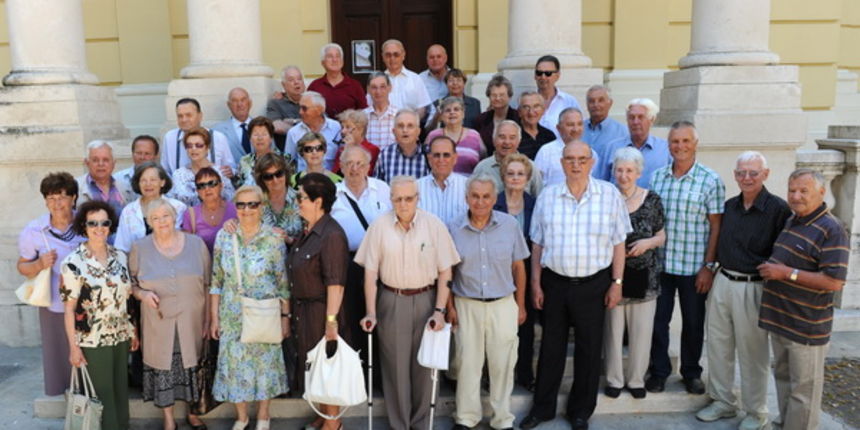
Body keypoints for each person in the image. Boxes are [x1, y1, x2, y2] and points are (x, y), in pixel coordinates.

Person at [519, 140, 629, 430]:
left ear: (591, 162)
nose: (576, 164)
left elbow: (619, 243)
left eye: (582, 159)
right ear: (562, 162)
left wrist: (616, 282)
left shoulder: (609, 195)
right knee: (551, 350)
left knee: (589, 350)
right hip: (554, 283)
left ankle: (580, 412)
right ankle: (542, 409)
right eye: (570, 159)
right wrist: (535, 284)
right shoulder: (548, 196)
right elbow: (538, 243)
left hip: (594, 285)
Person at [356, 175, 460, 430]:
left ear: (418, 198)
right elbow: (370, 274)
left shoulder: (434, 225)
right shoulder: (379, 227)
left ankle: (421, 423)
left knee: (425, 367)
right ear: (390, 199)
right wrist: (371, 311)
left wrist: (439, 310)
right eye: (398, 199)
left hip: (426, 300)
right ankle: (400, 424)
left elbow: (446, 271)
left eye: (409, 198)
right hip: (391, 300)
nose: (403, 204)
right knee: (395, 368)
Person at [696, 152, 790, 430]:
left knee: (753, 352)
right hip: (723, 281)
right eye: (741, 173)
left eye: (753, 172)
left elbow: (782, 252)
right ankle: (723, 402)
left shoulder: (778, 210)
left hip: (754, 287)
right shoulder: (730, 206)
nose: (746, 178)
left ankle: (756, 411)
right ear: (735, 175)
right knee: (718, 345)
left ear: (766, 174)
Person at [756, 168, 848, 430]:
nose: (796, 196)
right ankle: (786, 424)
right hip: (782, 319)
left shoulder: (832, 229)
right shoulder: (794, 219)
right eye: (792, 190)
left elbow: (834, 281)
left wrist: (786, 273)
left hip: (806, 326)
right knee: (784, 379)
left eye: (803, 191)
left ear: (821, 192)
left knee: (804, 392)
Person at [647, 121, 725, 395]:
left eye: (685, 141)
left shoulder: (710, 180)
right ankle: (658, 371)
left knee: (693, 322)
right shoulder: (657, 178)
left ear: (695, 144)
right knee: (658, 322)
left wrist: (709, 266)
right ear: (668, 145)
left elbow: (716, 225)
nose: (679, 147)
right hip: (663, 265)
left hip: (694, 267)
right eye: (674, 142)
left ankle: (691, 372)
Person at [447, 175, 529, 430]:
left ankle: (502, 419)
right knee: (467, 363)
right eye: (475, 196)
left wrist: (521, 305)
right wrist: (449, 307)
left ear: (494, 199)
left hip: (503, 303)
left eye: (486, 197)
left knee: (503, 363)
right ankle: (466, 417)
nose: (480, 202)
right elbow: (447, 272)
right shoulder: (454, 227)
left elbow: (519, 267)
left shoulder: (509, 225)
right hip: (466, 304)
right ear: (466, 198)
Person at [209, 185, 290, 430]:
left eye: (252, 204)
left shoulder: (274, 239)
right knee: (235, 366)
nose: (247, 210)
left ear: (262, 207)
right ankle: (241, 416)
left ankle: (263, 415)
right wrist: (214, 318)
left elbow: (282, 282)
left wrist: (286, 317)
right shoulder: (225, 236)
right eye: (241, 205)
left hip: (264, 311)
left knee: (265, 364)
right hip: (232, 313)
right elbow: (216, 281)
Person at [129, 198, 211, 430]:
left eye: (166, 216)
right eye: (155, 218)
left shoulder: (196, 244)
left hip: (193, 320)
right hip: (158, 321)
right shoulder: (140, 248)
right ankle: (168, 419)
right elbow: (132, 285)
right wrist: (142, 295)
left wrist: (208, 319)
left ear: (175, 217)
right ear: (149, 222)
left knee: (192, 366)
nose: (162, 221)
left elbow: (208, 284)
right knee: (164, 368)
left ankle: (194, 413)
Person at [61, 201, 138, 430]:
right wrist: (74, 348)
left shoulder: (121, 256)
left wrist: (133, 332)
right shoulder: (73, 263)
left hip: (121, 337)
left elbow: (128, 298)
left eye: (104, 222)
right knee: (102, 396)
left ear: (110, 225)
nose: (99, 227)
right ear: (83, 226)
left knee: (120, 392)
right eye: (92, 223)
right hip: (92, 341)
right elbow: (68, 309)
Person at [287, 173, 349, 430]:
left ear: (318, 200)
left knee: (327, 368)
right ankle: (324, 416)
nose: (297, 202)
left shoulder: (331, 234)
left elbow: (335, 282)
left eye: (301, 197)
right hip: (305, 310)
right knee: (316, 368)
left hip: (322, 310)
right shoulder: (309, 231)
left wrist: (331, 322)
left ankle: (333, 424)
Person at [602, 147, 666, 400]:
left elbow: (662, 234)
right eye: (619, 169)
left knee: (641, 332)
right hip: (612, 275)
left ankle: (637, 379)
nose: (624, 175)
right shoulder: (605, 197)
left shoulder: (652, 199)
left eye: (629, 170)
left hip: (645, 276)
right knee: (613, 332)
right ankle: (614, 380)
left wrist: (646, 244)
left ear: (639, 172)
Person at [17, 172, 86, 396]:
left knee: (88, 351)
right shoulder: (34, 230)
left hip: (89, 302)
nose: (56, 203)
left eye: (62, 197)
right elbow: (22, 267)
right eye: (50, 198)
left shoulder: (87, 223)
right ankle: (67, 397)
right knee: (59, 352)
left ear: (74, 198)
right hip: (54, 301)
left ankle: (90, 393)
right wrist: (39, 263)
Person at [330, 145, 391, 358]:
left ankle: (381, 371)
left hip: (380, 264)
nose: (354, 169)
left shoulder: (382, 189)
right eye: (349, 164)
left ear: (368, 167)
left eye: (359, 164)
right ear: (341, 167)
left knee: (380, 315)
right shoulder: (333, 194)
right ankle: (359, 369)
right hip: (348, 263)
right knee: (353, 315)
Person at [493, 153, 538, 391]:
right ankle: (496, 376)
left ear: (528, 177)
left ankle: (525, 375)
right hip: (498, 271)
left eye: (520, 173)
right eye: (510, 173)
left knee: (525, 326)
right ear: (503, 176)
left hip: (527, 270)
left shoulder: (534, 205)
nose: (515, 177)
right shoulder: (493, 202)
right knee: (498, 330)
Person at [115, 162, 187, 253]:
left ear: (162, 182)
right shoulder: (128, 211)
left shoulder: (178, 208)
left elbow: (185, 242)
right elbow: (121, 248)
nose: (148, 184)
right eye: (143, 180)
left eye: (153, 180)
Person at [598, 98, 670, 186]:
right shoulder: (611, 148)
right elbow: (600, 183)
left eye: (640, 117)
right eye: (631, 118)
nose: (636, 122)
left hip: (653, 199)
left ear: (652, 120)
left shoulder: (665, 150)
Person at [161, 98, 235, 177]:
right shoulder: (170, 138)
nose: (184, 119)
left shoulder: (218, 138)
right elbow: (165, 171)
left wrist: (231, 171)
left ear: (200, 116)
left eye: (188, 115)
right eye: (180, 116)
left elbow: (231, 168)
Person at [471, 120, 543, 196]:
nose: (507, 142)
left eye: (512, 138)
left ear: (519, 141)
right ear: (493, 140)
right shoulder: (482, 168)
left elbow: (540, 198)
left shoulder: (530, 167)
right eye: (502, 137)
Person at [170, 127, 235, 207]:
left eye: (199, 145)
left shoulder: (221, 172)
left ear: (207, 147)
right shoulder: (178, 175)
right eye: (189, 146)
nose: (194, 149)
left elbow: (230, 200)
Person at [181, 166, 238, 254]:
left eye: (212, 183)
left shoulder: (236, 210)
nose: (207, 189)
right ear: (197, 191)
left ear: (221, 186)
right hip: (203, 266)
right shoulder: (190, 215)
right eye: (201, 186)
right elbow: (187, 250)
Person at [534, 108, 597, 186]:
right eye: (570, 125)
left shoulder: (591, 153)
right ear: (558, 128)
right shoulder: (546, 152)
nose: (576, 129)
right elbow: (536, 184)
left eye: (579, 124)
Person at [424, 97, 484, 175]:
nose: (452, 112)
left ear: (463, 114)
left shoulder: (475, 136)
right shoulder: (433, 136)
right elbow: (426, 162)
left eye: (456, 109)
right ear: (442, 116)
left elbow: (483, 161)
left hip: (469, 185)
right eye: (448, 110)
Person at [416, 135, 468, 225]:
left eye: (446, 155)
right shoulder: (416, 188)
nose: (441, 160)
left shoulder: (468, 186)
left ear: (455, 158)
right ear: (429, 158)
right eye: (436, 155)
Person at [285, 91, 342, 172]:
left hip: (331, 180)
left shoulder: (335, 127)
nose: (300, 112)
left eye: (304, 108)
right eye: (300, 107)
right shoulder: (293, 132)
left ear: (319, 110)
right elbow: (288, 162)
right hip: (304, 180)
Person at [253, 153, 303, 244]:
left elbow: (311, 237)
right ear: (261, 180)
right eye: (268, 177)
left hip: (296, 254)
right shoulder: (255, 202)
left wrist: (289, 239)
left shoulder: (302, 199)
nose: (275, 180)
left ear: (286, 173)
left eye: (279, 174)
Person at [308, 43, 367, 118]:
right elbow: (308, 112)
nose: (334, 60)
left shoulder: (355, 86)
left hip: (348, 129)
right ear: (322, 62)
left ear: (342, 61)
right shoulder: (315, 86)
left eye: (338, 56)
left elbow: (363, 114)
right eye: (330, 56)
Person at [76, 140, 134, 214]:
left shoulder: (125, 187)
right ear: (87, 163)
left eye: (106, 160)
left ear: (113, 163)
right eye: (95, 160)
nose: (101, 164)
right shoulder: (76, 187)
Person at [374, 109, 430, 182]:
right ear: (394, 132)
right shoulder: (385, 155)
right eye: (400, 126)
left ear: (418, 132)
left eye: (410, 126)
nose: (405, 130)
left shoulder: (429, 154)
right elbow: (377, 186)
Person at [381, 39, 432, 117]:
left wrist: (412, 123)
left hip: (410, 126)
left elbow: (422, 108)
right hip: (384, 127)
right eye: (388, 55)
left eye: (396, 54)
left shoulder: (415, 79)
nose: (392, 58)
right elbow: (370, 106)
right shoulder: (378, 80)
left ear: (403, 55)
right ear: (383, 57)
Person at [534, 55, 581, 138]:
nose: (543, 77)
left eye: (548, 73)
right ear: (535, 76)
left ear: (557, 75)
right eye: (539, 73)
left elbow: (578, 130)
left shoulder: (569, 102)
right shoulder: (527, 103)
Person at [474, 74, 520, 156]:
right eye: (494, 95)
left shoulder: (519, 118)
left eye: (502, 95)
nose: (498, 98)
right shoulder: (481, 119)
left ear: (509, 96)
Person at [233, 116, 282, 188]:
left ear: (271, 138)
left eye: (264, 134)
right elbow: (239, 187)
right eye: (256, 135)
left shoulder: (284, 159)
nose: (260, 138)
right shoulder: (244, 161)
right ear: (250, 138)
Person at [266, 66, 305, 151]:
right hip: (286, 154)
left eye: (299, 79)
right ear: (283, 85)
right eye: (291, 80)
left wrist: (293, 121)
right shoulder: (275, 103)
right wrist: (306, 129)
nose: (296, 82)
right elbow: (277, 127)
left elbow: (320, 123)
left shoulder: (311, 101)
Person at [582, 85, 628, 157]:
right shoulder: (578, 129)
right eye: (591, 101)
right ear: (587, 105)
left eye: (601, 100)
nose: (596, 105)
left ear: (610, 103)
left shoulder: (622, 132)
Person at [212, 87, 254, 163]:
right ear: (228, 105)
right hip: (231, 174)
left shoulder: (263, 126)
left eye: (243, 100)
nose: (239, 104)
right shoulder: (217, 131)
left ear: (250, 103)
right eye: (235, 101)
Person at [332, 109, 380, 176]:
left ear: (360, 129)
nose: (343, 131)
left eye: (348, 127)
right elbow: (336, 175)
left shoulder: (373, 149)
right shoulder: (342, 149)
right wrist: (346, 152)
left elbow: (367, 175)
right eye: (342, 127)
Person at [363, 71, 399, 150]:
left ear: (389, 88)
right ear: (368, 89)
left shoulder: (399, 115)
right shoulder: (362, 117)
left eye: (382, 87)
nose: (378, 92)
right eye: (374, 87)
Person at [518, 91, 557, 160]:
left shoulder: (549, 136)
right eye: (526, 107)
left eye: (536, 106)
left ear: (543, 110)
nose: (531, 112)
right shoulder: (513, 136)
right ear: (519, 112)